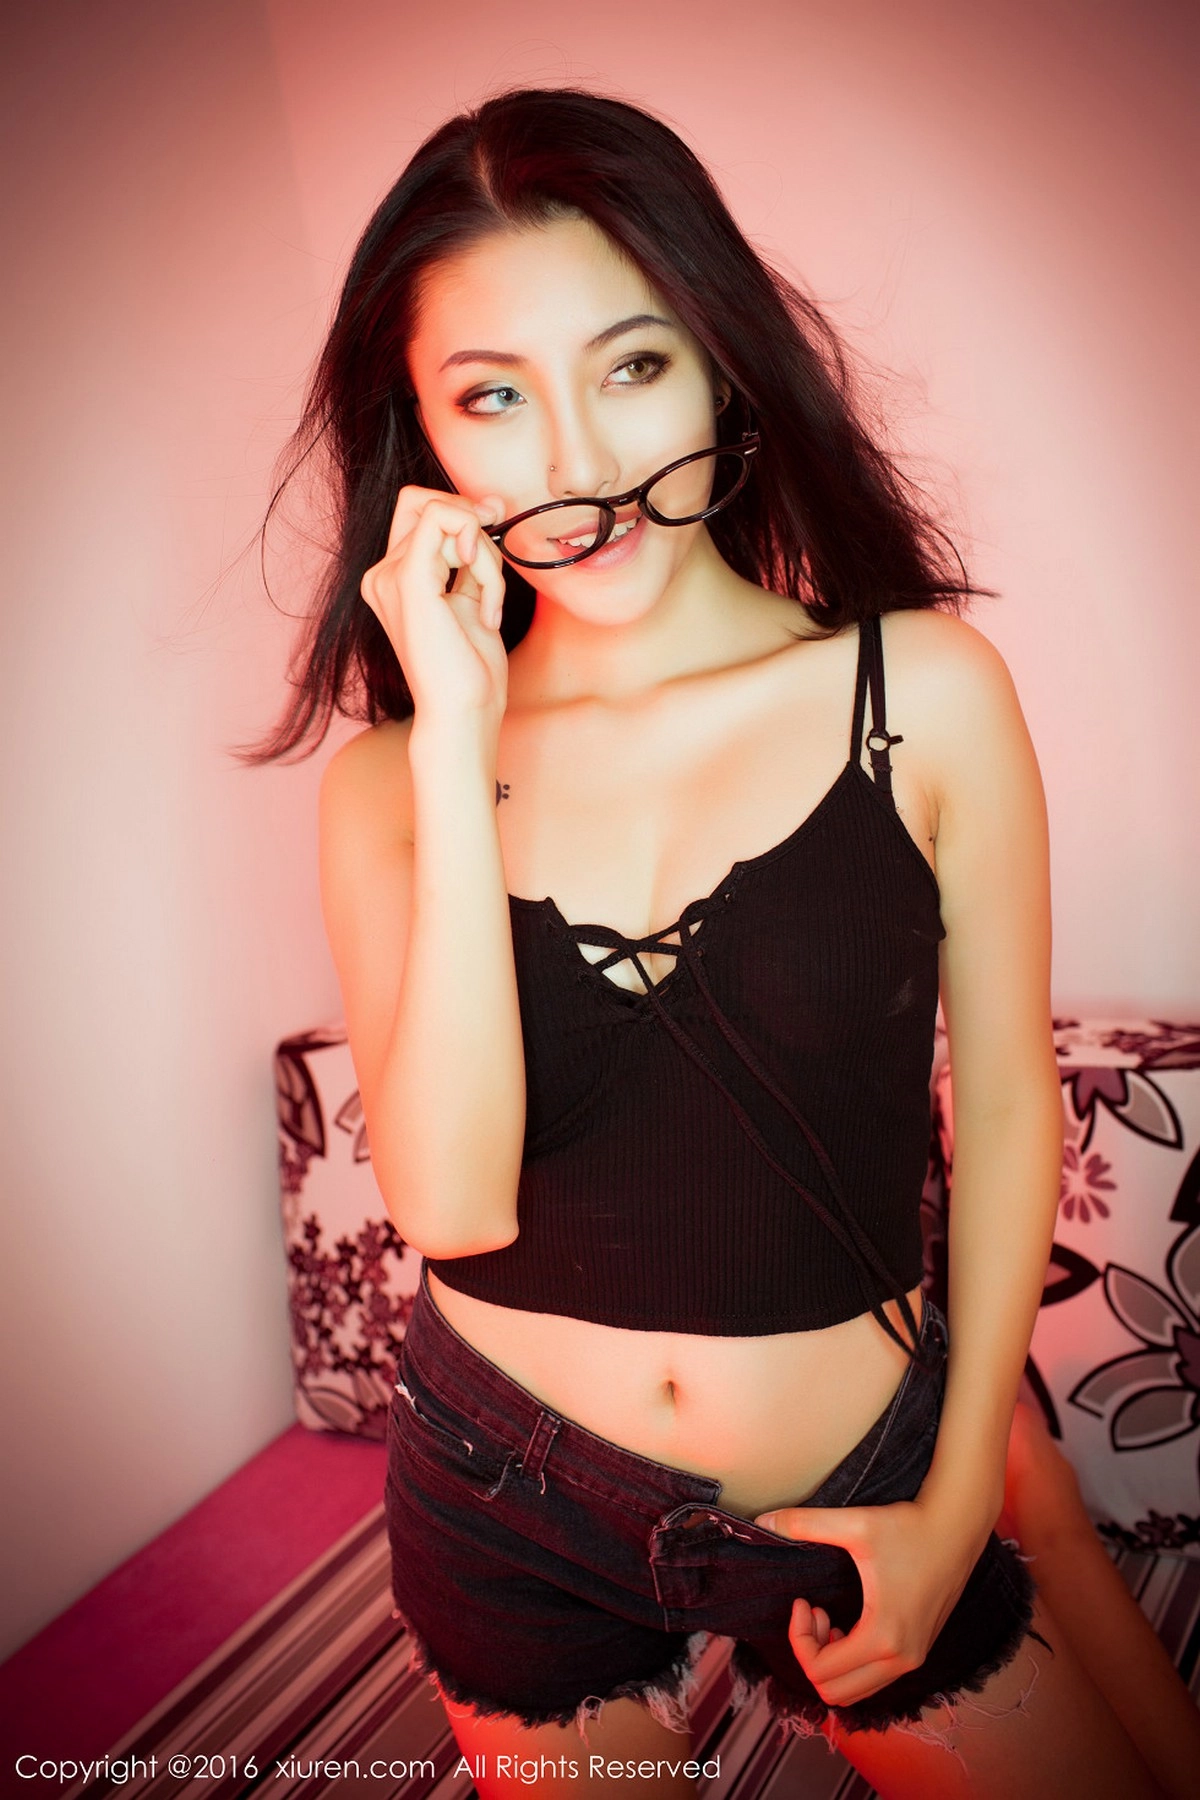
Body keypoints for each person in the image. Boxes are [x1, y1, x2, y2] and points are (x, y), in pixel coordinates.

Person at [251, 89, 1183, 1799]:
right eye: (494, 398)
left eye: (631, 366)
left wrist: (957, 1498)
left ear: (722, 363)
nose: (579, 464)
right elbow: (452, 1206)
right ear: (425, 443)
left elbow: (1006, 1115)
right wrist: (455, 742)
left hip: (855, 1480)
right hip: (505, 1494)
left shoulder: (922, 693)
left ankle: (1029, 1514)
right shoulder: (390, 784)